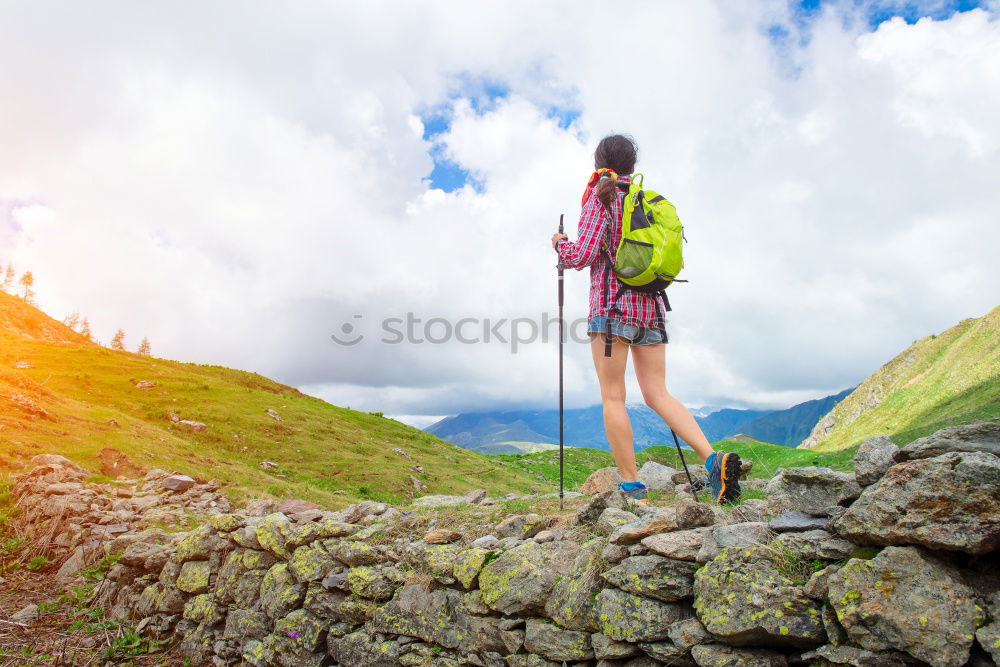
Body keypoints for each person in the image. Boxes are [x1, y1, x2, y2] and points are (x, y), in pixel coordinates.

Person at [551, 134, 741, 504]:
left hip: (611, 310)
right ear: (632, 166)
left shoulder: (601, 197)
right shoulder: (645, 201)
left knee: (613, 397)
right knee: (658, 393)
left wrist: (559, 243)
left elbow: (581, 255)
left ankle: (633, 486)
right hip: (651, 309)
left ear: (598, 164)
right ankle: (713, 459)